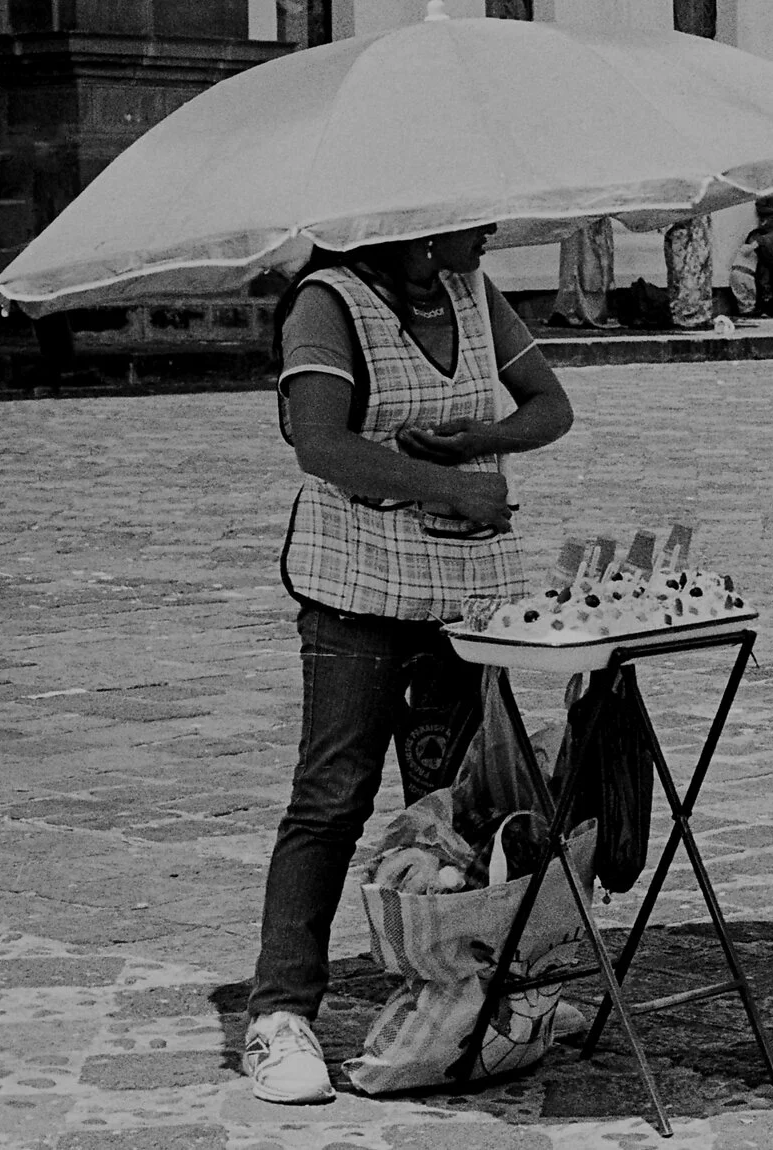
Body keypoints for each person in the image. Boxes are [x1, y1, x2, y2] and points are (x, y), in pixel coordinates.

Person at [244, 223, 575, 1104]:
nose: (493, 229)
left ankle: (471, 990)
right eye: (476, 216)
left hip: (462, 597)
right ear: (416, 220)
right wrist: (452, 486)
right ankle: (280, 1015)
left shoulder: (471, 291)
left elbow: (549, 405)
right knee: (332, 795)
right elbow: (321, 443)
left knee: (458, 806)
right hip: (357, 591)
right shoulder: (330, 305)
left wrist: (474, 444)